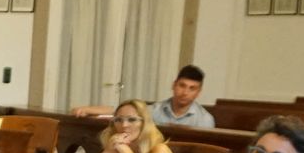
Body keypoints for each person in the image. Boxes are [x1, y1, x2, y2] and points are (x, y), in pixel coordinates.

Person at [72, 64, 216, 129]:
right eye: (182, 85)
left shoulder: (205, 120)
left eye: (192, 88)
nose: (185, 92)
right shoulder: (155, 109)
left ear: (199, 92)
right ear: (174, 85)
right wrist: (87, 109)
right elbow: (122, 111)